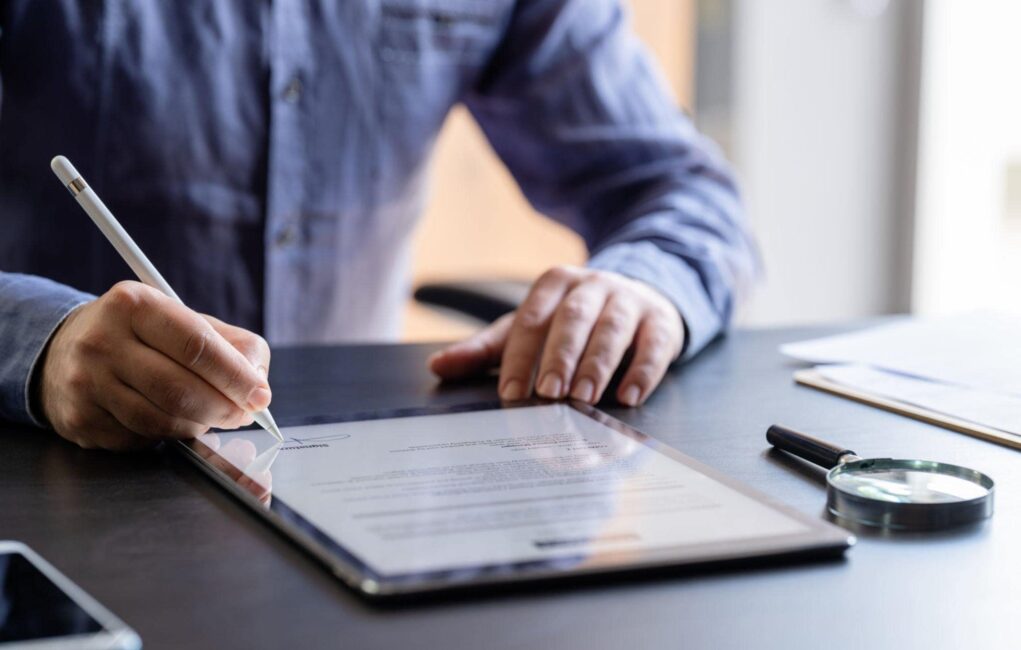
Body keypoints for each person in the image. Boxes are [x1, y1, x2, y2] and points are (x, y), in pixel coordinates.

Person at [0, 1, 757, 450]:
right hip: (56, 475)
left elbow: (678, 191)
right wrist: (42, 341)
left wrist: (638, 288)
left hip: (334, 479)